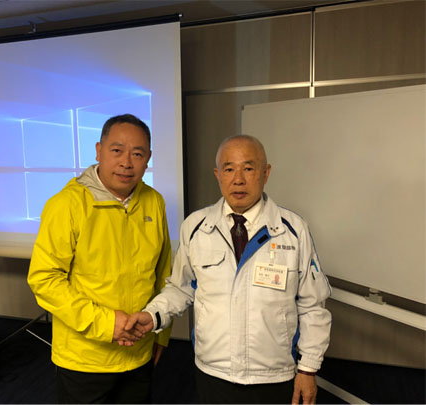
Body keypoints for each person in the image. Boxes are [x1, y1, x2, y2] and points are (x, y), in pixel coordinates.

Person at [126, 135, 331, 404]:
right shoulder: (196, 226)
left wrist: (308, 368)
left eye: (248, 168)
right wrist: (153, 315)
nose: (238, 179)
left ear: (266, 173)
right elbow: (181, 288)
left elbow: (312, 305)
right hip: (213, 371)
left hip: (274, 374)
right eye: (229, 169)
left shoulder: (292, 229)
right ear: (218, 175)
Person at [27, 114, 172, 403]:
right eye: (117, 150)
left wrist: (161, 334)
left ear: (148, 159)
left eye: (137, 154)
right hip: (85, 359)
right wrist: (107, 324)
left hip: (139, 352)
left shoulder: (154, 201)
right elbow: (44, 280)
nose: (126, 162)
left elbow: (163, 274)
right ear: (98, 151)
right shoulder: (66, 205)